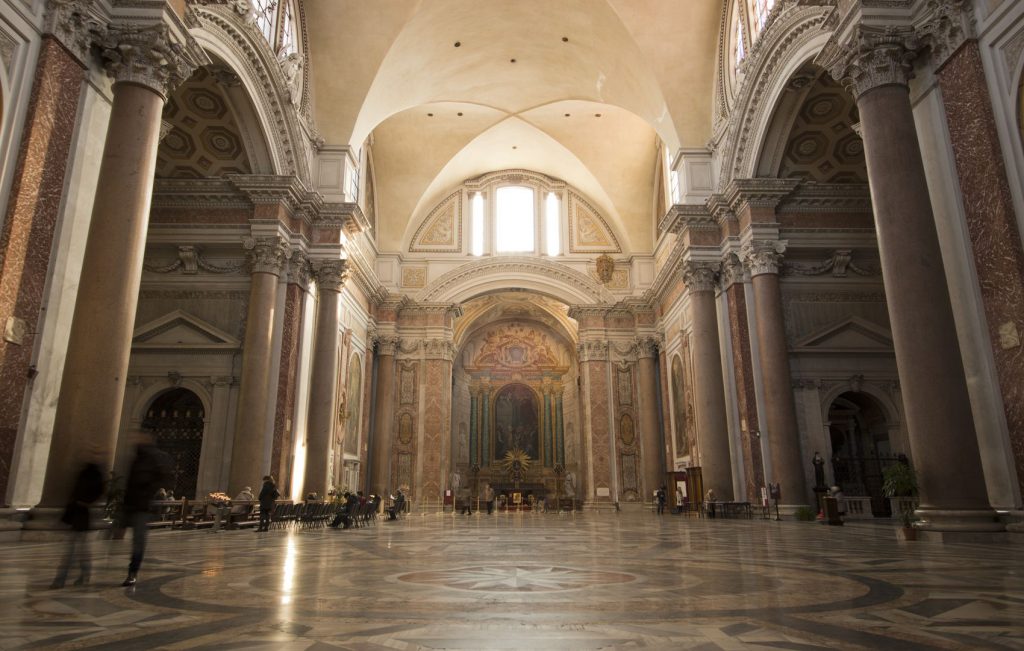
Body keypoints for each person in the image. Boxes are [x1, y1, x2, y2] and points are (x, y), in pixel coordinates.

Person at [122, 433, 172, 587]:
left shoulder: (152, 459)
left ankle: (133, 572)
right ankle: (132, 571)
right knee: (137, 541)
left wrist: (150, 494)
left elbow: (163, 478)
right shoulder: (137, 459)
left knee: (138, 541)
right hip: (133, 505)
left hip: (142, 505)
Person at [51, 461, 104, 589]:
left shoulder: (89, 476)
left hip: (80, 515)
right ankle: (81, 574)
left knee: (75, 549)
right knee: (78, 548)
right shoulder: (89, 475)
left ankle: (64, 578)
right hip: (78, 514)